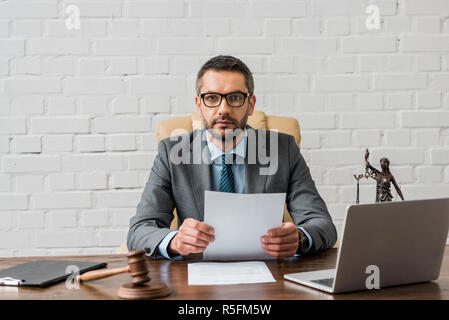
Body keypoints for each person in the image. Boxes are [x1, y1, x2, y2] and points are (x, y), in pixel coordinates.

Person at [127, 55, 337, 260]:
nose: (223, 109)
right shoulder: (173, 152)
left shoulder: (283, 149)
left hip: (268, 274)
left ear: (251, 104)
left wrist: (299, 239)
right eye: (211, 98)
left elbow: (322, 224)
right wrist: (175, 241)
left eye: (235, 98)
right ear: (199, 105)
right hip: (197, 277)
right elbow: (139, 231)